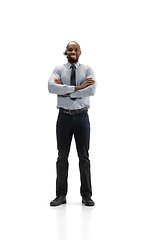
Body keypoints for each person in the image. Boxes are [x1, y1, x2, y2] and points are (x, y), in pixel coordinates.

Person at [48, 41, 96, 206]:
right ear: (66, 52)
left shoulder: (88, 69)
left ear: (80, 52)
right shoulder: (58, 70)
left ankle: (86, 195)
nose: (72, 52)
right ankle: (60, 195)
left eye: (75, 49)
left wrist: (67, 91)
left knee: (84, 157)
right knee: (62, 156)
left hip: (82, 118)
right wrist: (78, 88)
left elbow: (92, 90)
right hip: (64, 118)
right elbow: (51, 87)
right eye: (70, 49)